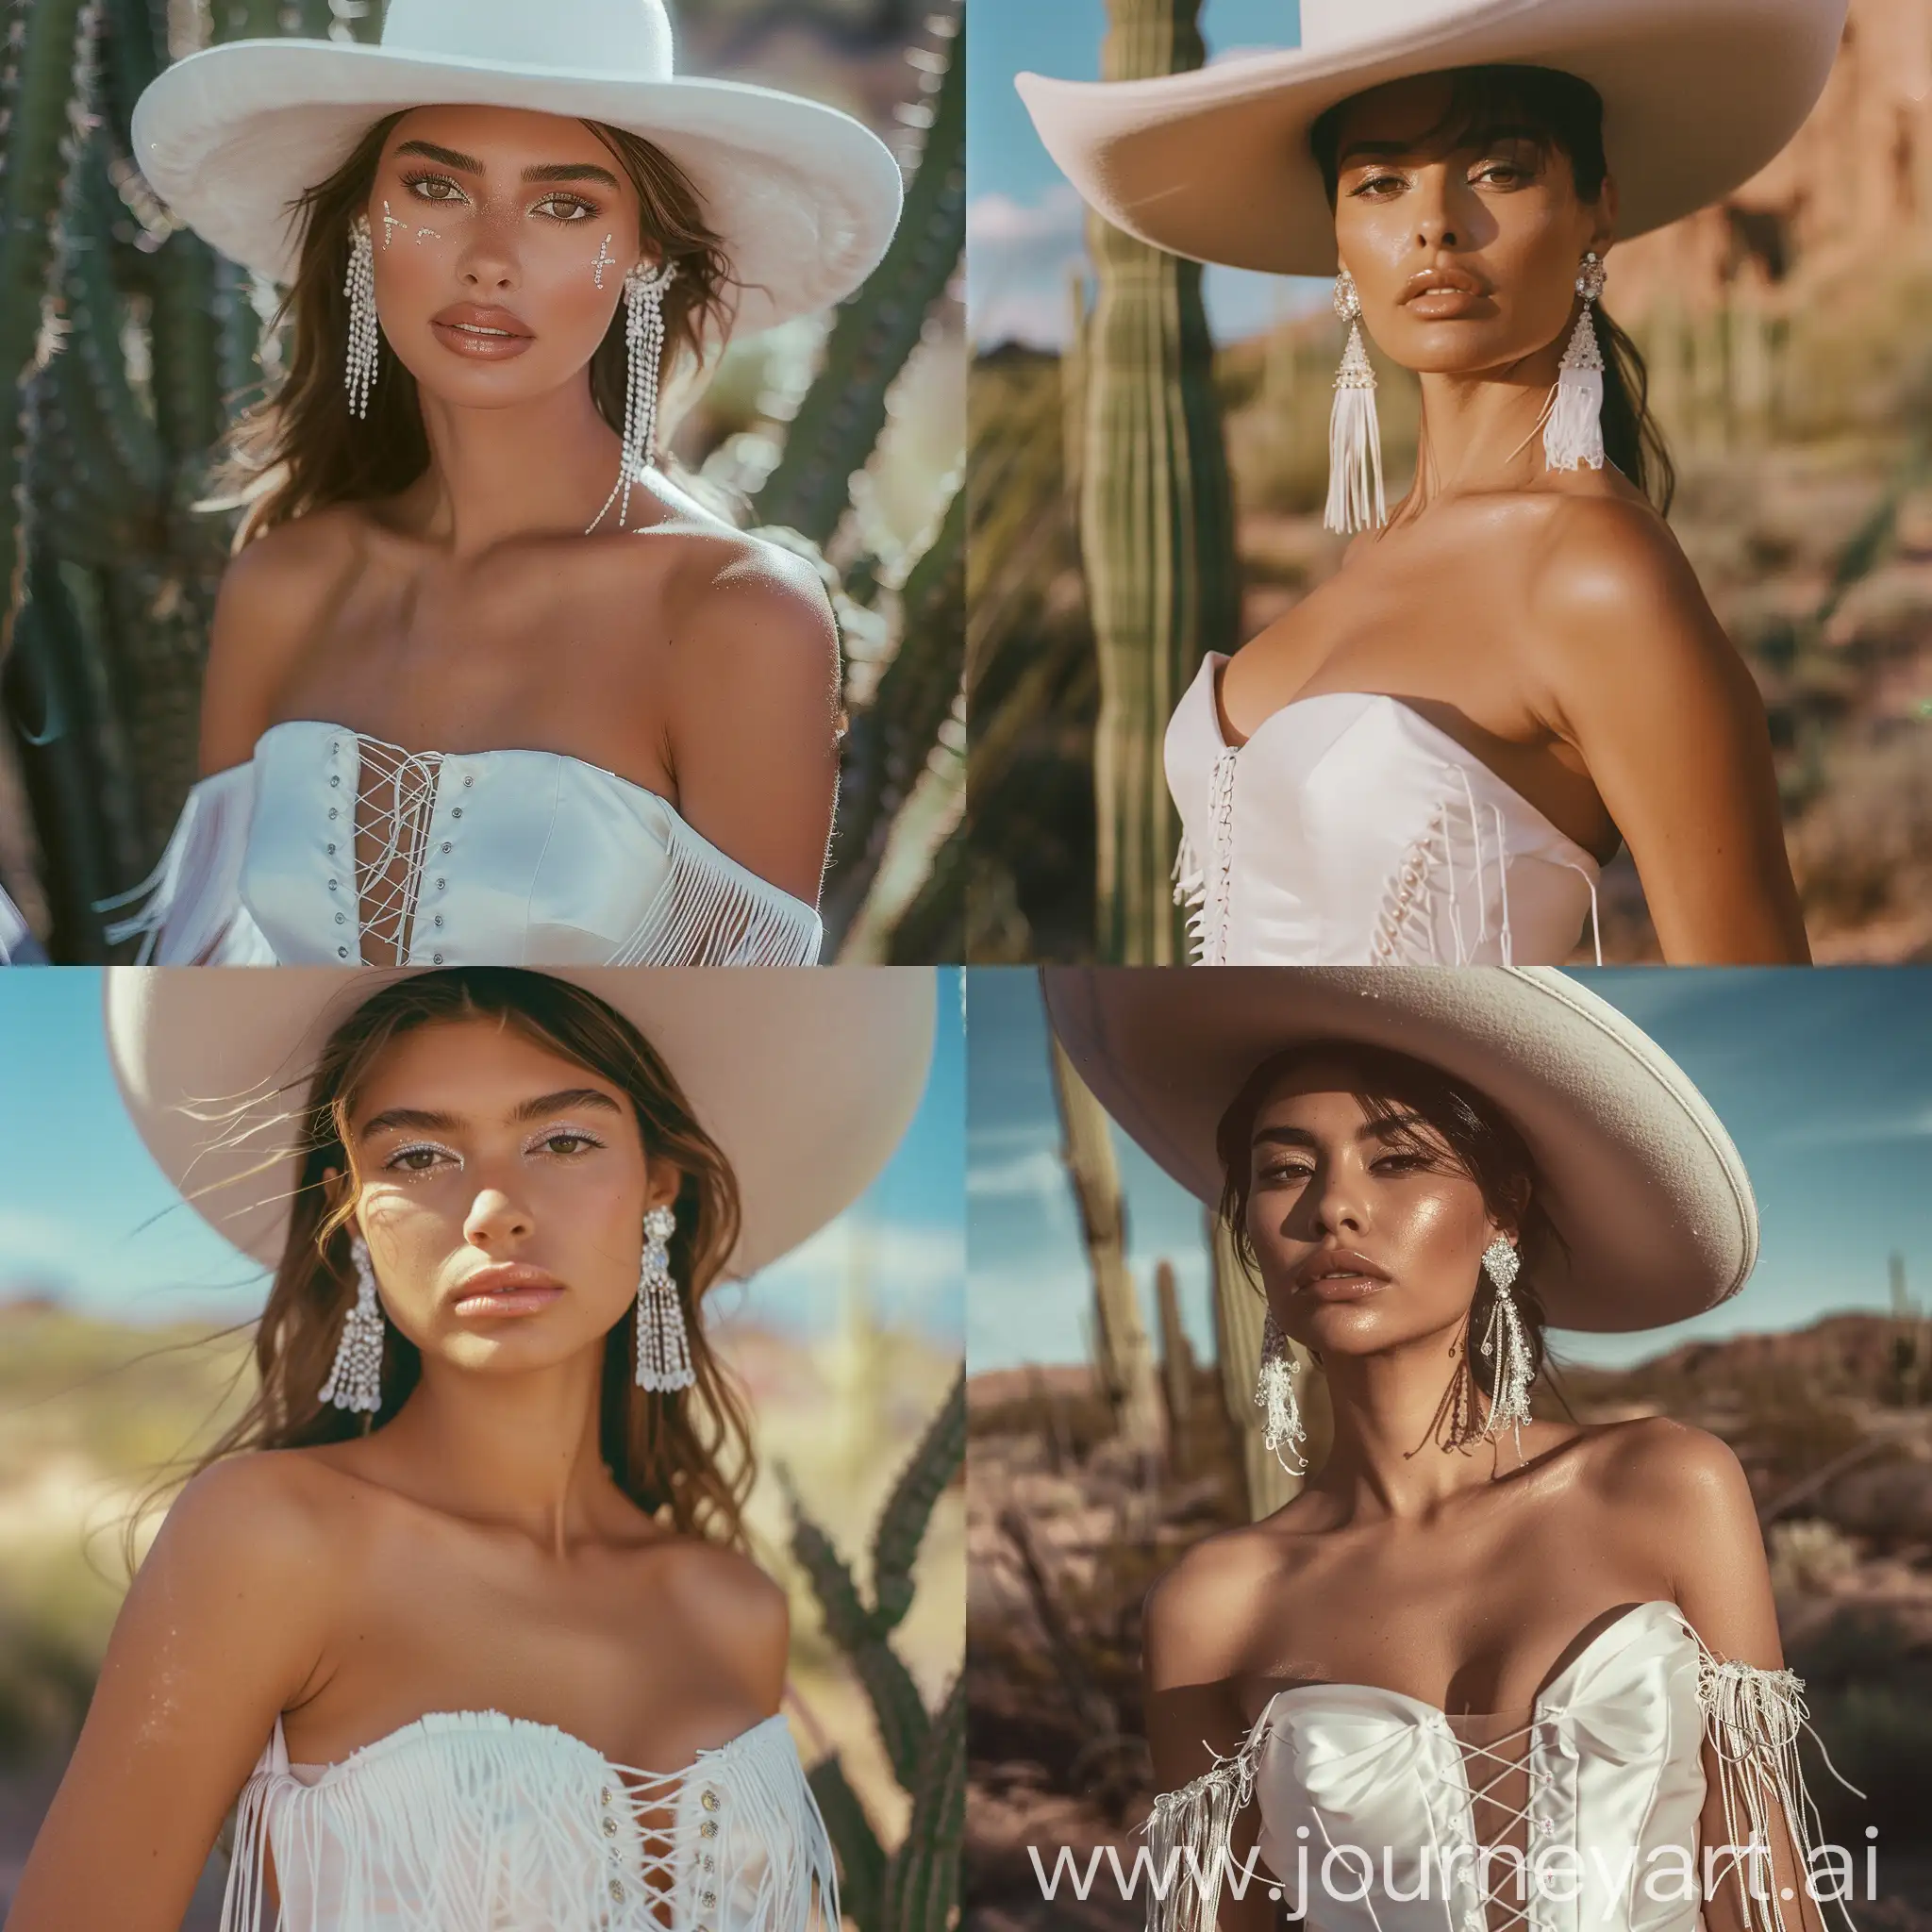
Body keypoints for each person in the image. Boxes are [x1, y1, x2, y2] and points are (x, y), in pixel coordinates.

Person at [7, 963, 935, 1930]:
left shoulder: (734, 1608)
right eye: (416, 1156)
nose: (494, 1207)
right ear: (352, 1203)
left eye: (563, 1138)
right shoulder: (269, 1538)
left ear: (659, 1180)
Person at [1018, 0, 1847, 965]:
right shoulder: (1376, 555)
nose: (1433, 228)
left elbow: (1750, 979)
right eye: (1377, 182)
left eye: (1497, 169)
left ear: (1596, 206)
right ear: (1334, 233)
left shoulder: (1598, 577)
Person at [1042, 966, 1859, 1932]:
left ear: (1501, 1210)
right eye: (1284, 1168)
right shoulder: (1211, 1606)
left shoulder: (1667, 1486)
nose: (1332, 1208)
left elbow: (1760, 1885)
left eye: (1394, 1160)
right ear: (1251, 1231)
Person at [100, 0, 904, 967]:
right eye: (435, 189)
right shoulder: (283, 586)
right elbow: (204, 984)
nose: (489, 261)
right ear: (365, 220)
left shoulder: (737, 616)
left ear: (645, 250)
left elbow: (745, 1037)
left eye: (565, 206)